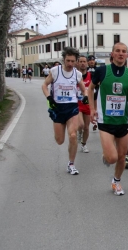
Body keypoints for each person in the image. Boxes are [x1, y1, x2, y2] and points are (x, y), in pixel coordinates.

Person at [88, 43, 128, 196]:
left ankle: (116, 181)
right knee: (112, 158)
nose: (121, 54)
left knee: (122, 158)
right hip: (105, 121)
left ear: (127, 55)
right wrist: (92, 109)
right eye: (118, 51)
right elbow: (90, 89)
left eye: (124, 51)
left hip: (123, 121)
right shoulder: (102, 71)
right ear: (112, 54)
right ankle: (107, 155)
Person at [41, 47, 89, 175]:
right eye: (68, 61)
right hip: (57, 108)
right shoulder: (55, 71)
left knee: (72, 135)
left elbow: (84, 90)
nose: (70, 64)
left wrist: (84, 97)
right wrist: (49, 98)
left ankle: (71, 164)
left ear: (76, 61)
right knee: (60, 140)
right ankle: (64, 141)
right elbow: (44, 85)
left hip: (72, 107)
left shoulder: (77, 74)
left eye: (73, 61)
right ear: (63, 59)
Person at [76, 55, 92, 153]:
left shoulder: (91, 76)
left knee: (86, 127)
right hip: (77, 104)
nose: (82, 63)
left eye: (84, 61)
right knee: (81, 125)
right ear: (77, 63)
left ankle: (83, 144)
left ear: (87, 63)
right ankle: (79, 132)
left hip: (88, 104)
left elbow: (95, 91)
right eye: (80, 61)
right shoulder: (74, 75)